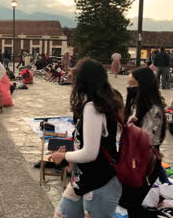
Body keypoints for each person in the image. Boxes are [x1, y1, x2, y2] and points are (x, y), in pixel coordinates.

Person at [49, 58, 122, 217]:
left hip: (98, 183)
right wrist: (71, 159)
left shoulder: (92, 107)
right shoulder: (94, 103)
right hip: (84, 180)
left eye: (75, 75)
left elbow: (90, 153)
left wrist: (63, 155)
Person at [122, 67, 168, 217]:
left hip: (145, 164)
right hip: (134, 161)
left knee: (133, 204)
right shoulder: (136, 105)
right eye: (128, 84)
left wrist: (130, 129)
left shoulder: (153, 110)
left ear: (144, 85)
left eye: (133, 83)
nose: (129, 88)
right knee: (131, 204)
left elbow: (147, 141)